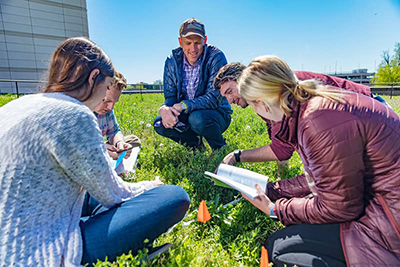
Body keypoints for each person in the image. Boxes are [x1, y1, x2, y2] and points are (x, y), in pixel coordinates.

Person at [0, 37, 190, 266]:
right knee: (174, 197)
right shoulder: (74, 114)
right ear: (93, 78)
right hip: (40, 248)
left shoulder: (15, 106)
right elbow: (114, 194)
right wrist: (150, 186)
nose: (105, 97)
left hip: (15, 229)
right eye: (107, 85)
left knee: (93, 196)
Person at [237, 55, 400, 266]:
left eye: (252, 105)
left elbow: (339, 208)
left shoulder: (316, 119)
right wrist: (273, 190)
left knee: (279, 249)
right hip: (380, 202)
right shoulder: (310, 107)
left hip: (389, 222)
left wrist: (274, 209)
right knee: (288, 240)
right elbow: (329, 175)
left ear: (261, 103)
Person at [214, 62, 374, 174]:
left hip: (368, 116)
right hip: (355, 122)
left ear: (242, 80)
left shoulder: (269, 90)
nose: (229, 101)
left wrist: (236, 156)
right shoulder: (259, 98)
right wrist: (283, 177)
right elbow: (280, 140)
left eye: (230, 91)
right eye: (224, 96)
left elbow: (281, 150)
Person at [153, 18, 232, 151]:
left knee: (197, 118)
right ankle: (195, 145)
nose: (193, 48)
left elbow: (213, 98)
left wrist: (184, 105)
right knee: (160, 123)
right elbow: (171, 96)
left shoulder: (216, 57)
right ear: (180, 42)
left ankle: (220, 149)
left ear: (205, 40)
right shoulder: (171, 61)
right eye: (188, 43)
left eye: (197, 43)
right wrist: (164, 108)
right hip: (186, 113)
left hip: (215, 113)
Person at [94, 70, 141, 160]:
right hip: (84, 152)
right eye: (106, 101)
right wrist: (99, 148)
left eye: (114, 103)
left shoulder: (107, 111)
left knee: (133, 141)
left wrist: (120, 143)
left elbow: (114, 131)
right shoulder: (79, 110)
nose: (110, 108)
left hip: (102, 148)